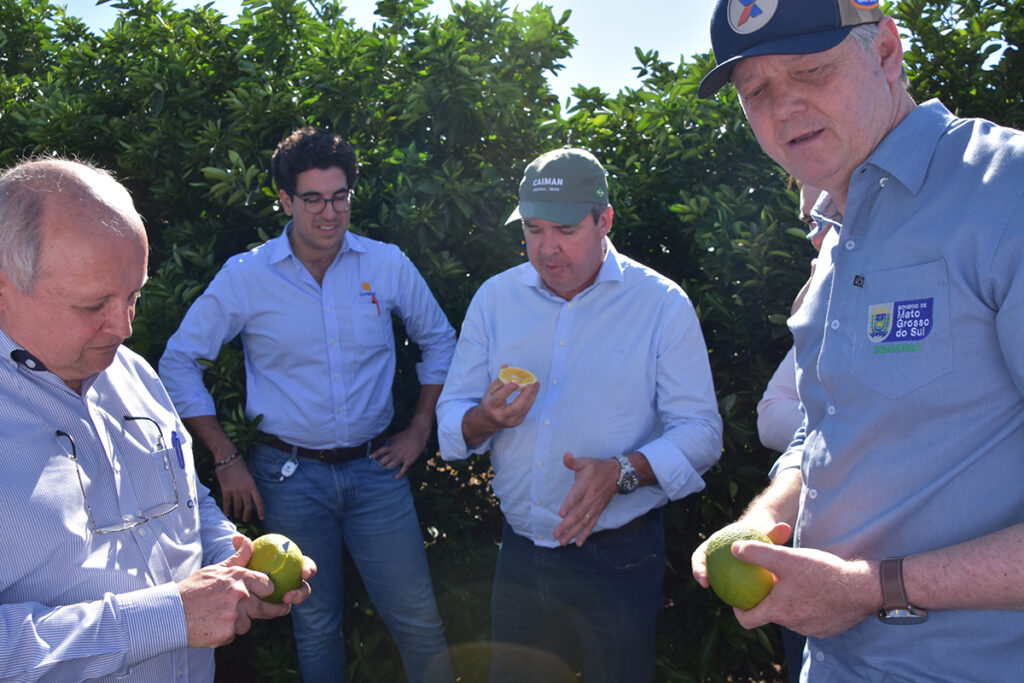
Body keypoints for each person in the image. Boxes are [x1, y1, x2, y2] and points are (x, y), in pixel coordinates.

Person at [692, 1, 1024, 680]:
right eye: (756, 92)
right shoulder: (835, 236)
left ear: (885, 52)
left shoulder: (1007, 192)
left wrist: (870, 587)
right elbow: (824, 431)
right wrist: (760, 523)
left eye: (811, 70)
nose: (785, 109)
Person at [159, 126, 456, 682]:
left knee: (417, 618)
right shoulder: (247, 277)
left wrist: (419, 428)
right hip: (288, 478)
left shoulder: (385, 264)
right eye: (313, 199)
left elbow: (440, 339)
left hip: (377, 472)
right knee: (314, 624)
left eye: (339, 196)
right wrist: (226, 458)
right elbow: (179, 361)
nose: (329, 213)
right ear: (286, 200)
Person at [0, 158, 313, 681]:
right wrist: (167, 618)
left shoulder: (133, 373)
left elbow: (187, 495)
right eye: (94, 303)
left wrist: (227, 556)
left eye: (134, 295)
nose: (124, 326)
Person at [436, 147, 723, 682]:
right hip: (519, 554)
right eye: (533, 229)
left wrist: (622, 471)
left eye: (565, 230)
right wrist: (484, 420)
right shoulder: (495, 299)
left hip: (617, 557)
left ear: (604, 220)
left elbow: (703, 433)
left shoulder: (661, 304)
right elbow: (454, 414)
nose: (546, 249)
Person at [756, 182, 828, 453]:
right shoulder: (820, 291)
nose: (818, 238)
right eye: (811, 222)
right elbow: (772, 416)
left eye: (835, 217)